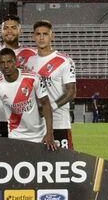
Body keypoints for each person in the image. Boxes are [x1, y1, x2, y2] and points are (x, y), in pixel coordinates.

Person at [0, 47, 57, 148]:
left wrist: (50, 133)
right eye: (2, 62)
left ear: (15, 61)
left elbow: (46, 103)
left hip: (39, 136)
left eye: (9, 61)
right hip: (15, 137)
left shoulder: (33, 78)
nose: (6, 66)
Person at [0, 17, 38, 136]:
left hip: (24, 117)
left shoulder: (30, 54)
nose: (9, 31)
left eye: (13, 28)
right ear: (1, 32)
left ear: (20, 31)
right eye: (5, 28)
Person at [30, 20, 77, 149]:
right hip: (36, 124)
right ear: (33, 37)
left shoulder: (64, 61)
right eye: (38, 34)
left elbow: (71, 92)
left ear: (52, 36)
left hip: (59, 122)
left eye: (45, 34)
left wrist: (50, 107)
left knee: (65, 163)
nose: (41, 37)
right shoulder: (29, 62)